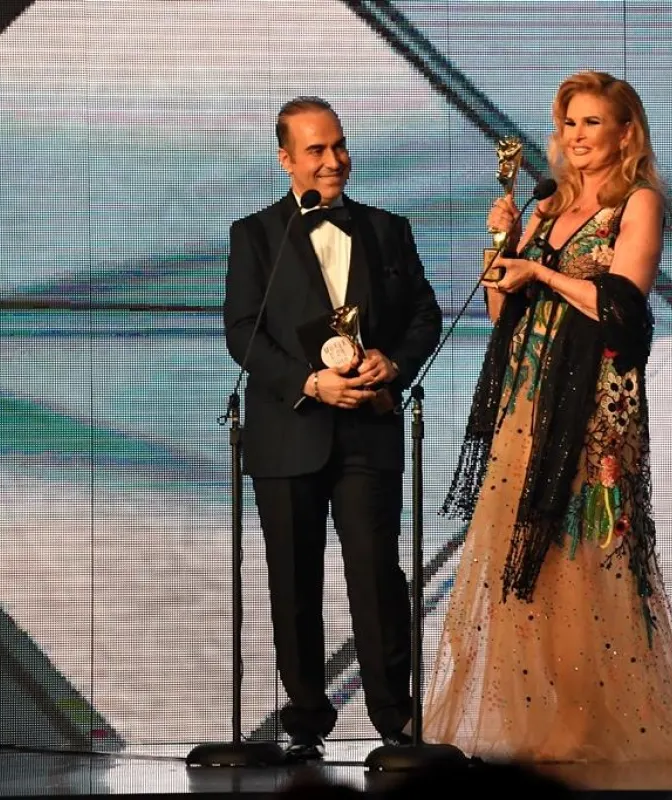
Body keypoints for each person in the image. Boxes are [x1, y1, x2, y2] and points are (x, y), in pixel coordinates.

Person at [423, 70, 672, 762]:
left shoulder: (638, 204)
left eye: (592, 123)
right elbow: (501, 310)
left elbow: (622, 305)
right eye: (569, 124)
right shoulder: (547, 207)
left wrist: (543, 273)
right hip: (526, 398)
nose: (577, 137)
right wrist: (504, 244)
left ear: (625, 133)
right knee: (526, 559)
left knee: (583, 555)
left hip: (594, 409)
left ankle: (586, 722)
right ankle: (541, 717)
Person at [223, 96, 442, 762]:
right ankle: (305, 722)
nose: (333, 160)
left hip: (368, 431)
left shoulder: (388, 229)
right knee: (293, 582)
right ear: (286, 159)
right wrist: (309, 382)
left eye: (339, 145)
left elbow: (424, 316)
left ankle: (396, 720)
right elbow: (243, 331)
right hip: (289, 432)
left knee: (377, 576)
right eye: (316, 149)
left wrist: (393, 362)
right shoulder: (255, 235)